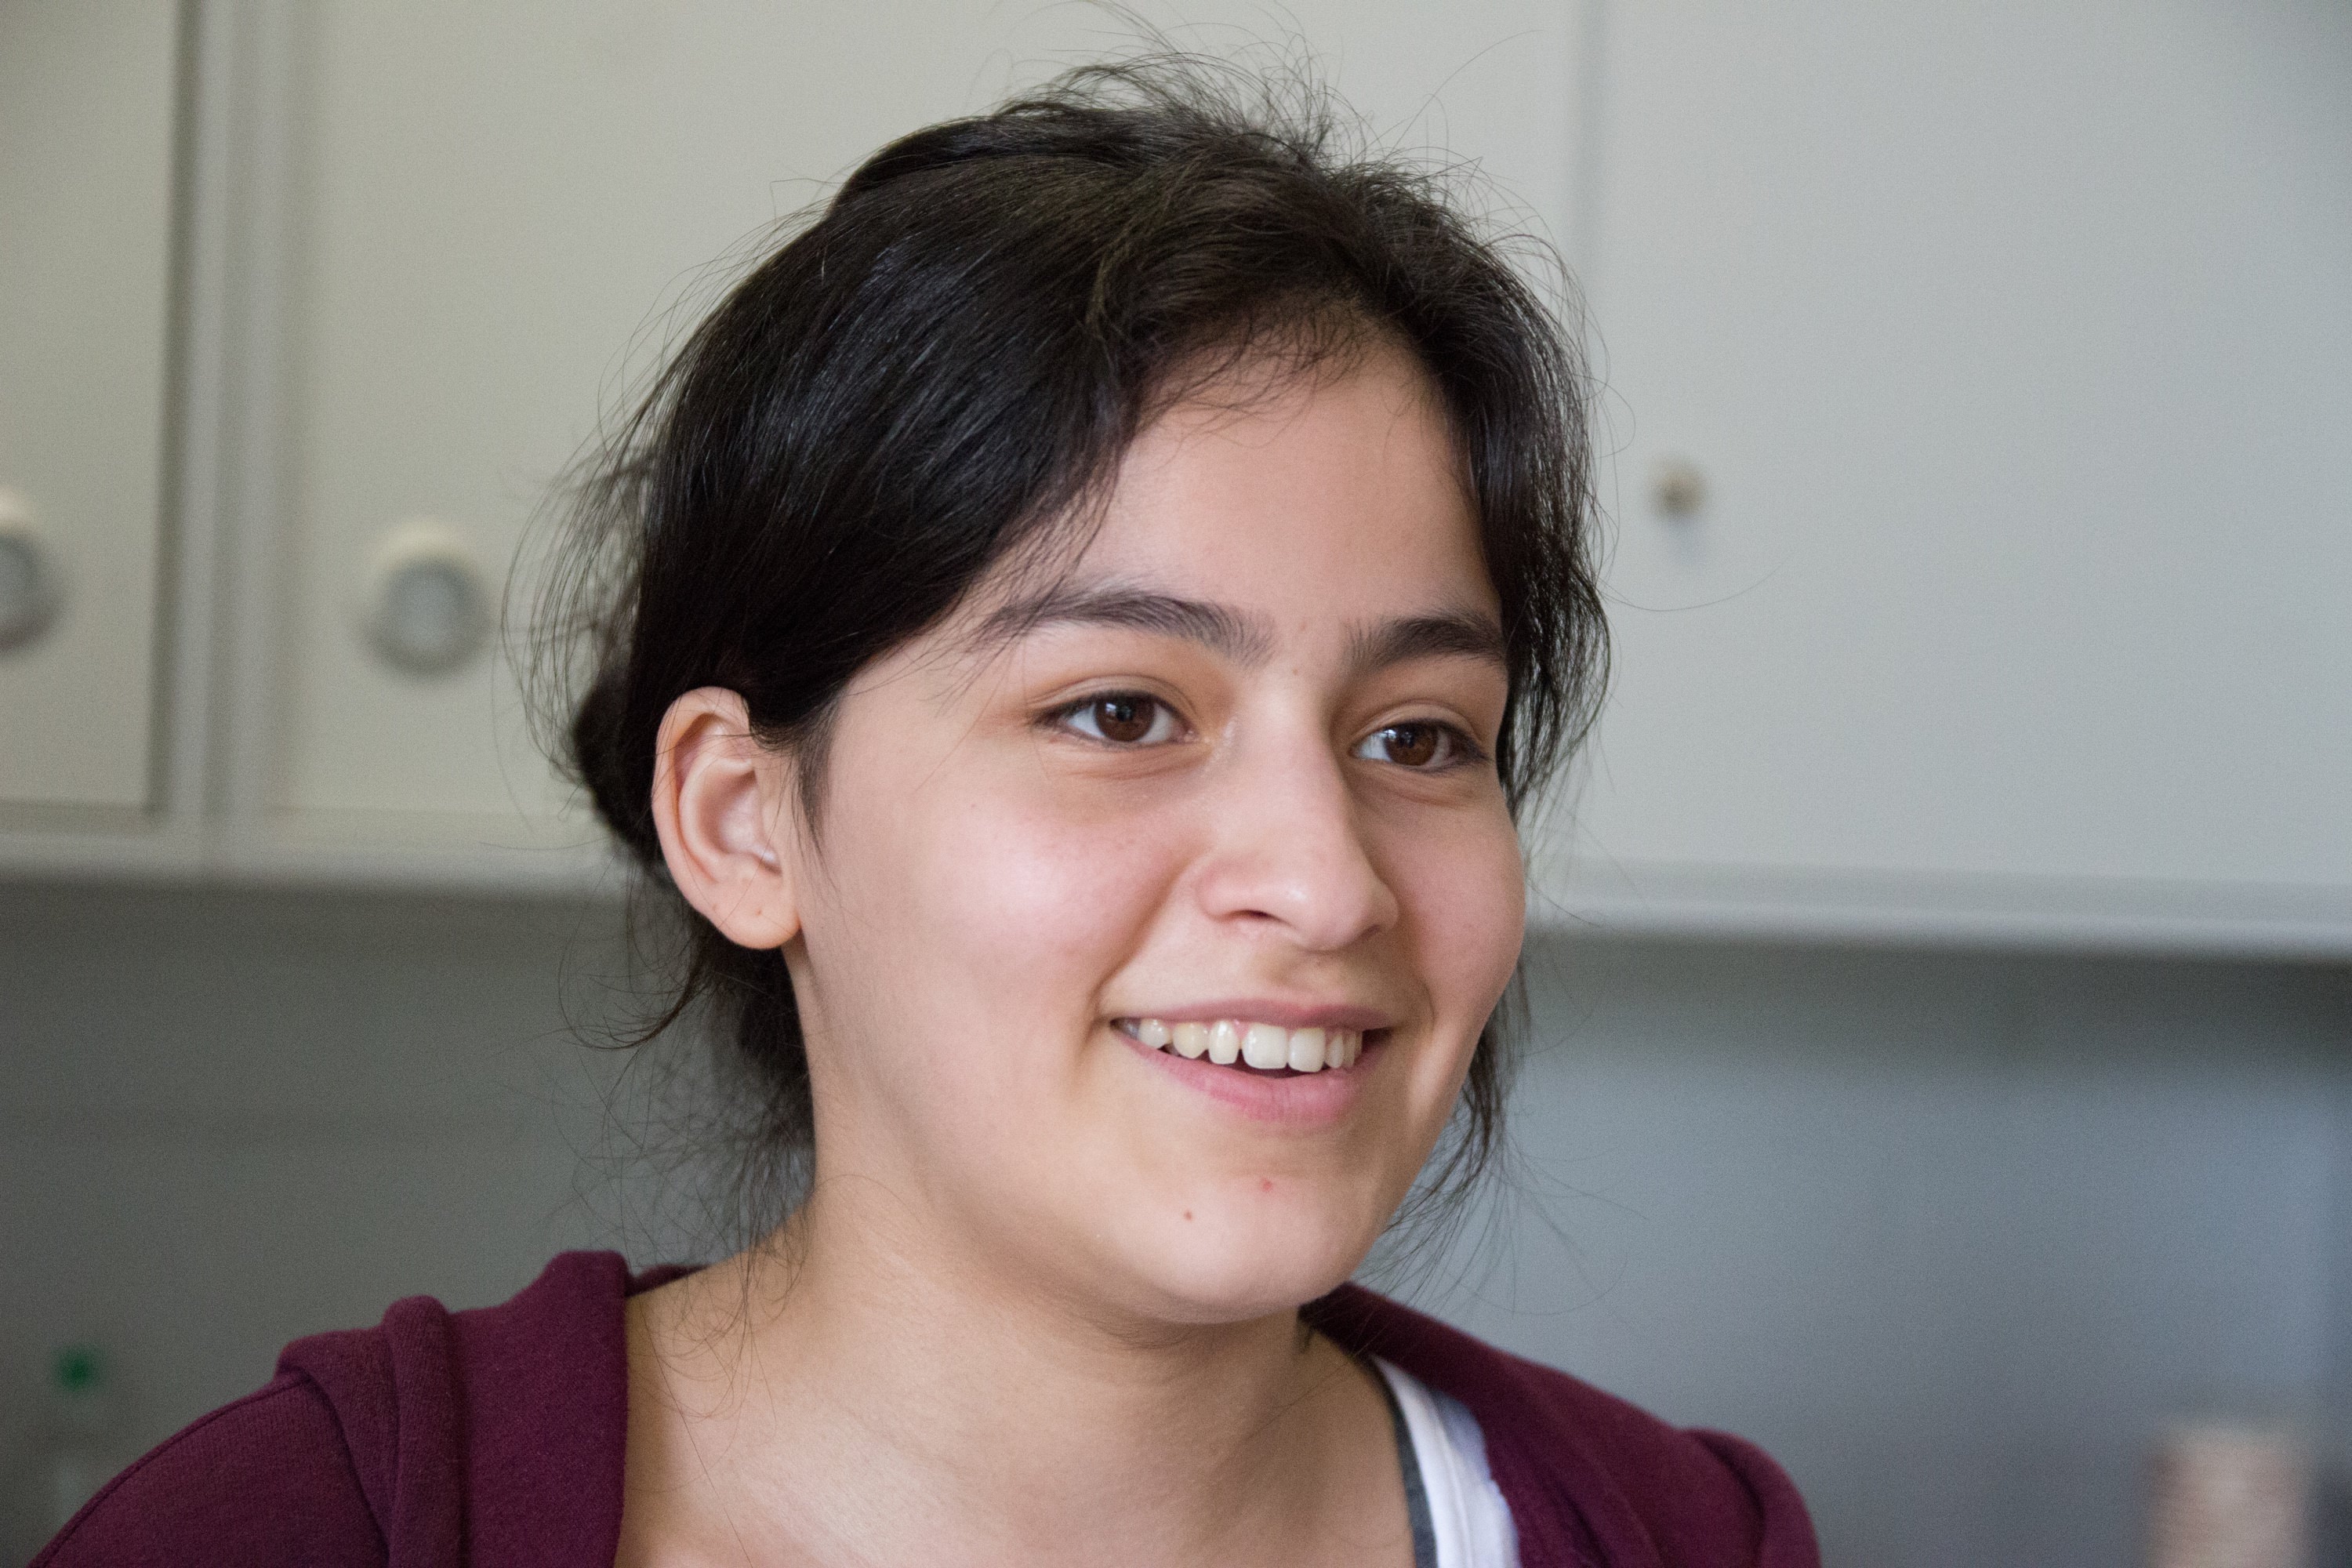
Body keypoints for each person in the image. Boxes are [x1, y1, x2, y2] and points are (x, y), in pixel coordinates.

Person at [37, 60, 1817, 1568]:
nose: (1325, 880)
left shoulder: (1673, 1536)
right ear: (744, 822)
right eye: (1119, 711)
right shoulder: (305, 1529)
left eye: (1419, 737)